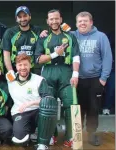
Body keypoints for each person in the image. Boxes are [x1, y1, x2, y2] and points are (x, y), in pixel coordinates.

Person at [34, 9, 80, 148]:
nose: (54, 21)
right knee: (48, 106)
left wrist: (75, 74)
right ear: (48, 21)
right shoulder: (43, 37)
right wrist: (55, 54)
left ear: (61, 19)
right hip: (48, 72)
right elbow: (38, 59)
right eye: (51, 19)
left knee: (70, 105)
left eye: (56, 18)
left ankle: (70, 137)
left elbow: (76, 57)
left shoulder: (70, 36)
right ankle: (50, 135)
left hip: (66, 72)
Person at [73, 11, 113, 146]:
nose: (82, 23)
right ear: (76, 23)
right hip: (77, 80)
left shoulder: (101, 37)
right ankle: (76, 136)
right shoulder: (71, 36)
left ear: (91, 22)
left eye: (85, 21)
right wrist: (44, 33)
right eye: (80, 21)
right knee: (77, 108)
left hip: (95, 79)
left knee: (93, 108)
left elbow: (108, 58)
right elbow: (55, 35)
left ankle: (91, 134)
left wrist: (103, 78)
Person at [6, 54, 57, 150]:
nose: (23, 68)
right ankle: (34, 134)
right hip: (20, 112)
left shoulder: (39, 79)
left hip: (37, 111)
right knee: (20, 139)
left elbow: (49, 99)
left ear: (30, 65)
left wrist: (30, 103)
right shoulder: (10, 78)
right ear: (16, 66)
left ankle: (42, 144)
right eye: (20, 65)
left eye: (25, 65)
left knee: (47, 107)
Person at [3, 6, 43, 78]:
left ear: (30, 16)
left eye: (25, 16)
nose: (22, 19)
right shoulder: (10, 32)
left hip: (33, 69)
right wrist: (10, 71)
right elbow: (6, 54)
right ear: (16, 19)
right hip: (15, 69)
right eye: (20, 17)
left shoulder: (38, 30)